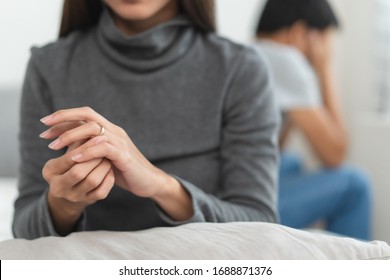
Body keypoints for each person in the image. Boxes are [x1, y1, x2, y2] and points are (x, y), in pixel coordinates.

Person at [13, 0, 280, 240]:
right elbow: (23, 228)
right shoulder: (48, 66)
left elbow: (260, 222)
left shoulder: (241, 68)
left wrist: (159, 185)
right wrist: (64, 204)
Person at [254, 0, 372, 240]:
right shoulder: (285, 61)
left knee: (291, 161)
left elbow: (272, 148)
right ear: (300, 32)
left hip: (220, 190)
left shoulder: (253, 52)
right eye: (326, 41)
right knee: (355, 184)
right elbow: (335, 155)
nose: (328, 50)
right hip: (242, 207)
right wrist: (325, 69)